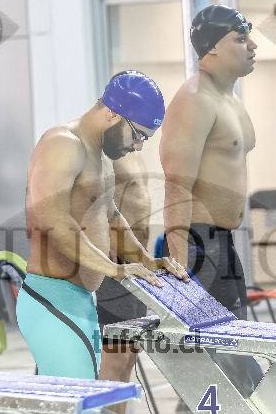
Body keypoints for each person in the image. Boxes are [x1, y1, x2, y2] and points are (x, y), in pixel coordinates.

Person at [20, 71, 188, 381]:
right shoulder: (62, 144)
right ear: (112, 113)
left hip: (80, 299)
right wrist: (114, 269)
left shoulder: (99, 156)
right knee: (78, 399)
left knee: (84, 395)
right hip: (51, 298)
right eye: (137, 135)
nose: (138, 147)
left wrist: (146, 261)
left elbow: (110, 218)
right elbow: (52, 221)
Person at [160, 5, 265, 404]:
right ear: (213, 48)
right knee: (213, 364)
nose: (252, 46)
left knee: (228, 357)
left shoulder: (227, 97)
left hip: (222, 243)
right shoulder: (194, 99)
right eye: (241, 39)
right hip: (198, 247)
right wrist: (182, 268)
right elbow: (176, 185)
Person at [97, 74, 153, 414]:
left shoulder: (131, 144)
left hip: (135, 265)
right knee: (114, 357)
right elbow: (88, 199)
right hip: (114, 269)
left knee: (129, 356)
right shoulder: (106, 144)